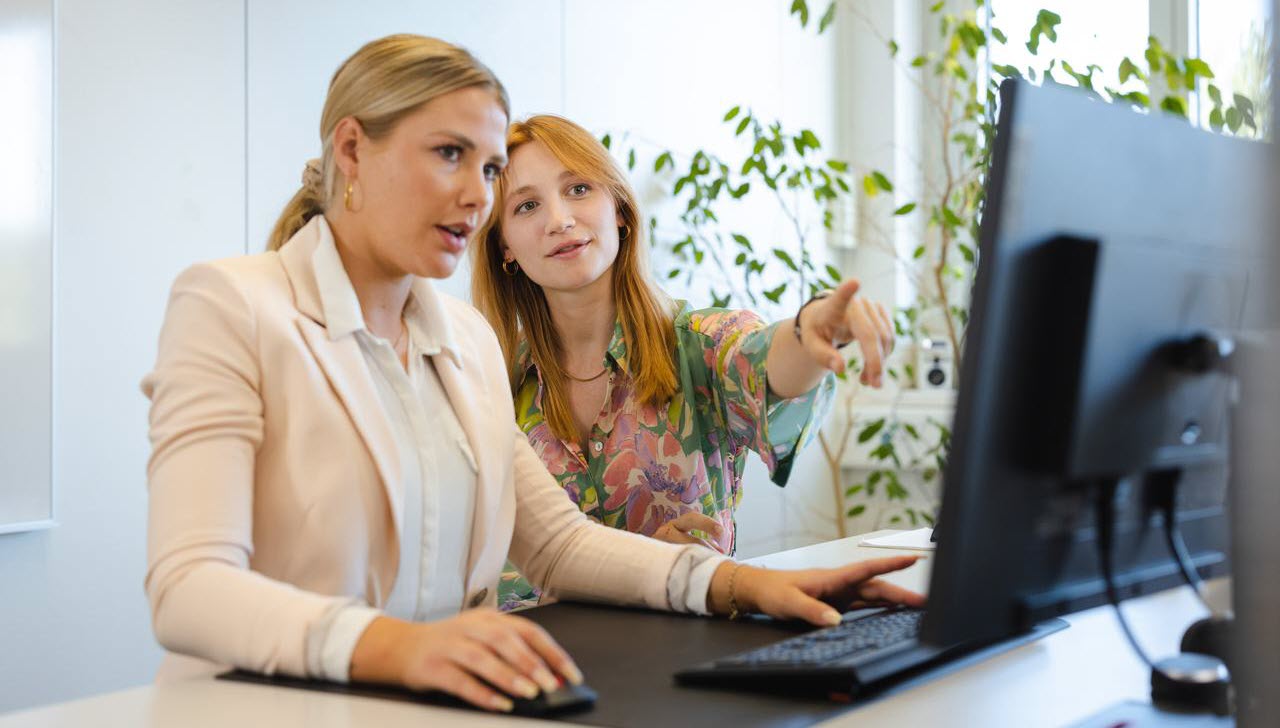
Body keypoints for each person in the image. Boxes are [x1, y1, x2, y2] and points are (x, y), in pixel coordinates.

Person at [142, 34, 923, 714]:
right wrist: (403, 648)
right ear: (351, 151)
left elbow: (557, 545)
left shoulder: (464, 341)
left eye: (486, 168)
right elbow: (188, 588)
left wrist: (744, 588)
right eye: (450, 155)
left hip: (455, 707)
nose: (475, 196)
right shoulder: (231, 303)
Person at [471, 115, 896, 609]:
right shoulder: (487, 378)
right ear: (504, 247)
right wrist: (645, 569)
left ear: (621, 210)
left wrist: (811, 329)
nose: (559, 219)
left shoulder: (701, 345)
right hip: (533, 667)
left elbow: (767, 364)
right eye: (526, 206)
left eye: (579, 189)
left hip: (679, 663)